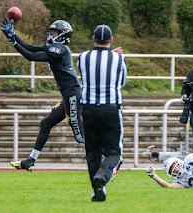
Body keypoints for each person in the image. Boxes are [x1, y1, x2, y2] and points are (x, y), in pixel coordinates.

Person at [1, 19, 85, 171]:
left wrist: (13, 42)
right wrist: (13, 36)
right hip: (67, 96)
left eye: (54, 32)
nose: (51, 34)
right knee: (45, 124)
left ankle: (109, 154)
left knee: (80, 135)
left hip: (73, 95)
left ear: (62, 35)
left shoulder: (61, 49)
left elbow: (30, 56)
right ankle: (30, 160)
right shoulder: (55, 47)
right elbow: (31, 49)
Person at [77, 24, 127, 202]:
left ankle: (97, 189)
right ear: (111, 40)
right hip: (110, 108)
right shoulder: (118, 59)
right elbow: (121, 82)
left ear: (93, 39)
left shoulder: (83, 57)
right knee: (114, 152)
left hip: (88, 109)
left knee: (92, 152)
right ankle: (103, 178)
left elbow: (86, 73)